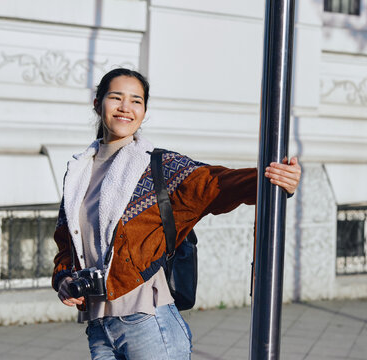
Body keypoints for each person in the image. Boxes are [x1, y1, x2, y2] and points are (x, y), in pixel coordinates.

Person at [52, 68, 301, 360]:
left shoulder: (157, 166)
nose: (125, 108)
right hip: (98, 327)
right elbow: (66, 247)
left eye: (136, 101)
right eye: (116, 98)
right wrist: (65, 281)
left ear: (144, 111)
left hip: (148, 322)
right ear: (98, 104)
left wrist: (272, 178)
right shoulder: (79, 172)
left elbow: (213, 183)